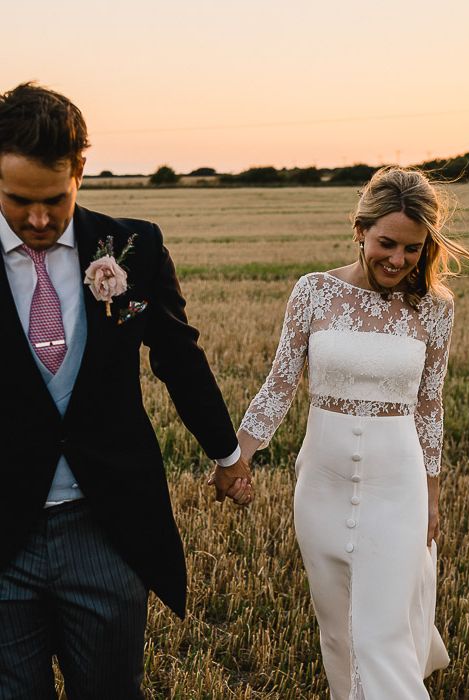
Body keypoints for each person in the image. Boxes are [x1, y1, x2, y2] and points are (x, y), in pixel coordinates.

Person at [0, 82, 253, 699]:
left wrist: (227, 455)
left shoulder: (132, 248)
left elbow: (178, 357)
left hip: (105, 527)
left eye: (54, 200)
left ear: (80, 170)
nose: (37, 220)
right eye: (16, 200)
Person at [231, 167, 469, 699]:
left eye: (412, 248)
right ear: (359, 229)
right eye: (387, 243)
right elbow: (280, 384)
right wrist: (237, 456)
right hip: (321, 485)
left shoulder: (434, 307)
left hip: (398, 486)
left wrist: (431, 492)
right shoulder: (314, 292)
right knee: (339, 635)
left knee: (382, 639)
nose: (399, 260)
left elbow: (430, 404)